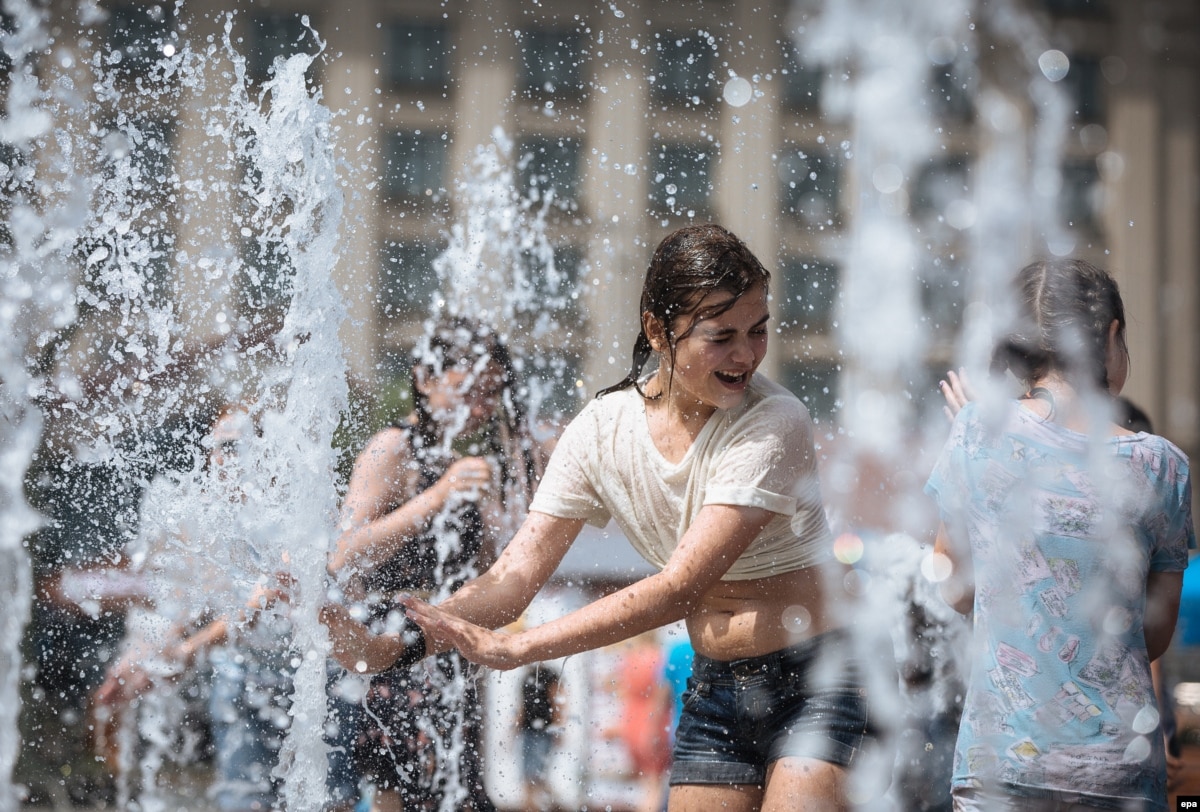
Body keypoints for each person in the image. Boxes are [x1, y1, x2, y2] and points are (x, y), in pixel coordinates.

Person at [325, 223, 879, 812]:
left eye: (758, 330)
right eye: (721, 336)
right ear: (658, 331)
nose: (745, 354)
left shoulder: (775, 421)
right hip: (718, 687)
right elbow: (513, 580)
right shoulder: (600, 430)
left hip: (820, 675)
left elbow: (677, 588)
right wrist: (405, 641)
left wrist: (520, 649)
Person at [927, 258, 1194, 811]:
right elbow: (1156, 630)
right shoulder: (1163, 466)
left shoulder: (976, 432)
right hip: (1119, 769)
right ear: (1113, 336)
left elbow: (953, 588)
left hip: (1002, 765)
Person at [327, 317, 541, 812]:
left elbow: (483, 569)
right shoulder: (393, 447)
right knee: (402, 791)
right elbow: (345, 553)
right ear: (425, 379)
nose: (482, 408)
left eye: (491, 394)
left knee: (457, 793)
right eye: (468, 390)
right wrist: (437, 497)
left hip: (447, 650)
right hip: (388, 650)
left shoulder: (465, 458)